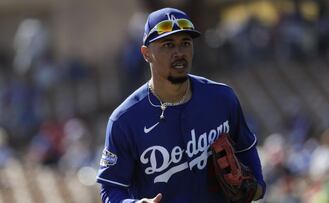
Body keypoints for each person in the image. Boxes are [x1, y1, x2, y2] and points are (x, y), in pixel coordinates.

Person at [97, 7, 266, 203]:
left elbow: (246, 147)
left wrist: (258, 187)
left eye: (185, 43)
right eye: (168, 45)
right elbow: (110, 189)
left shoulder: (221, 97)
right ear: (146, 53)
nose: (179, 52)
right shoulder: (124, 120)